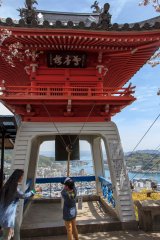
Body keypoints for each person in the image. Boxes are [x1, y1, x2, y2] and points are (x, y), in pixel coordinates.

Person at [0, 169, 40, 240]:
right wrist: (34, 190)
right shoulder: (14, 189)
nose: (22, 178)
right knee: (6, 236)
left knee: (16, 231)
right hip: (8, 217)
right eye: (22, 176)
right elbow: (24, 196)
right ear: (18, 177)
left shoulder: (6, 186)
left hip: (5, 215)